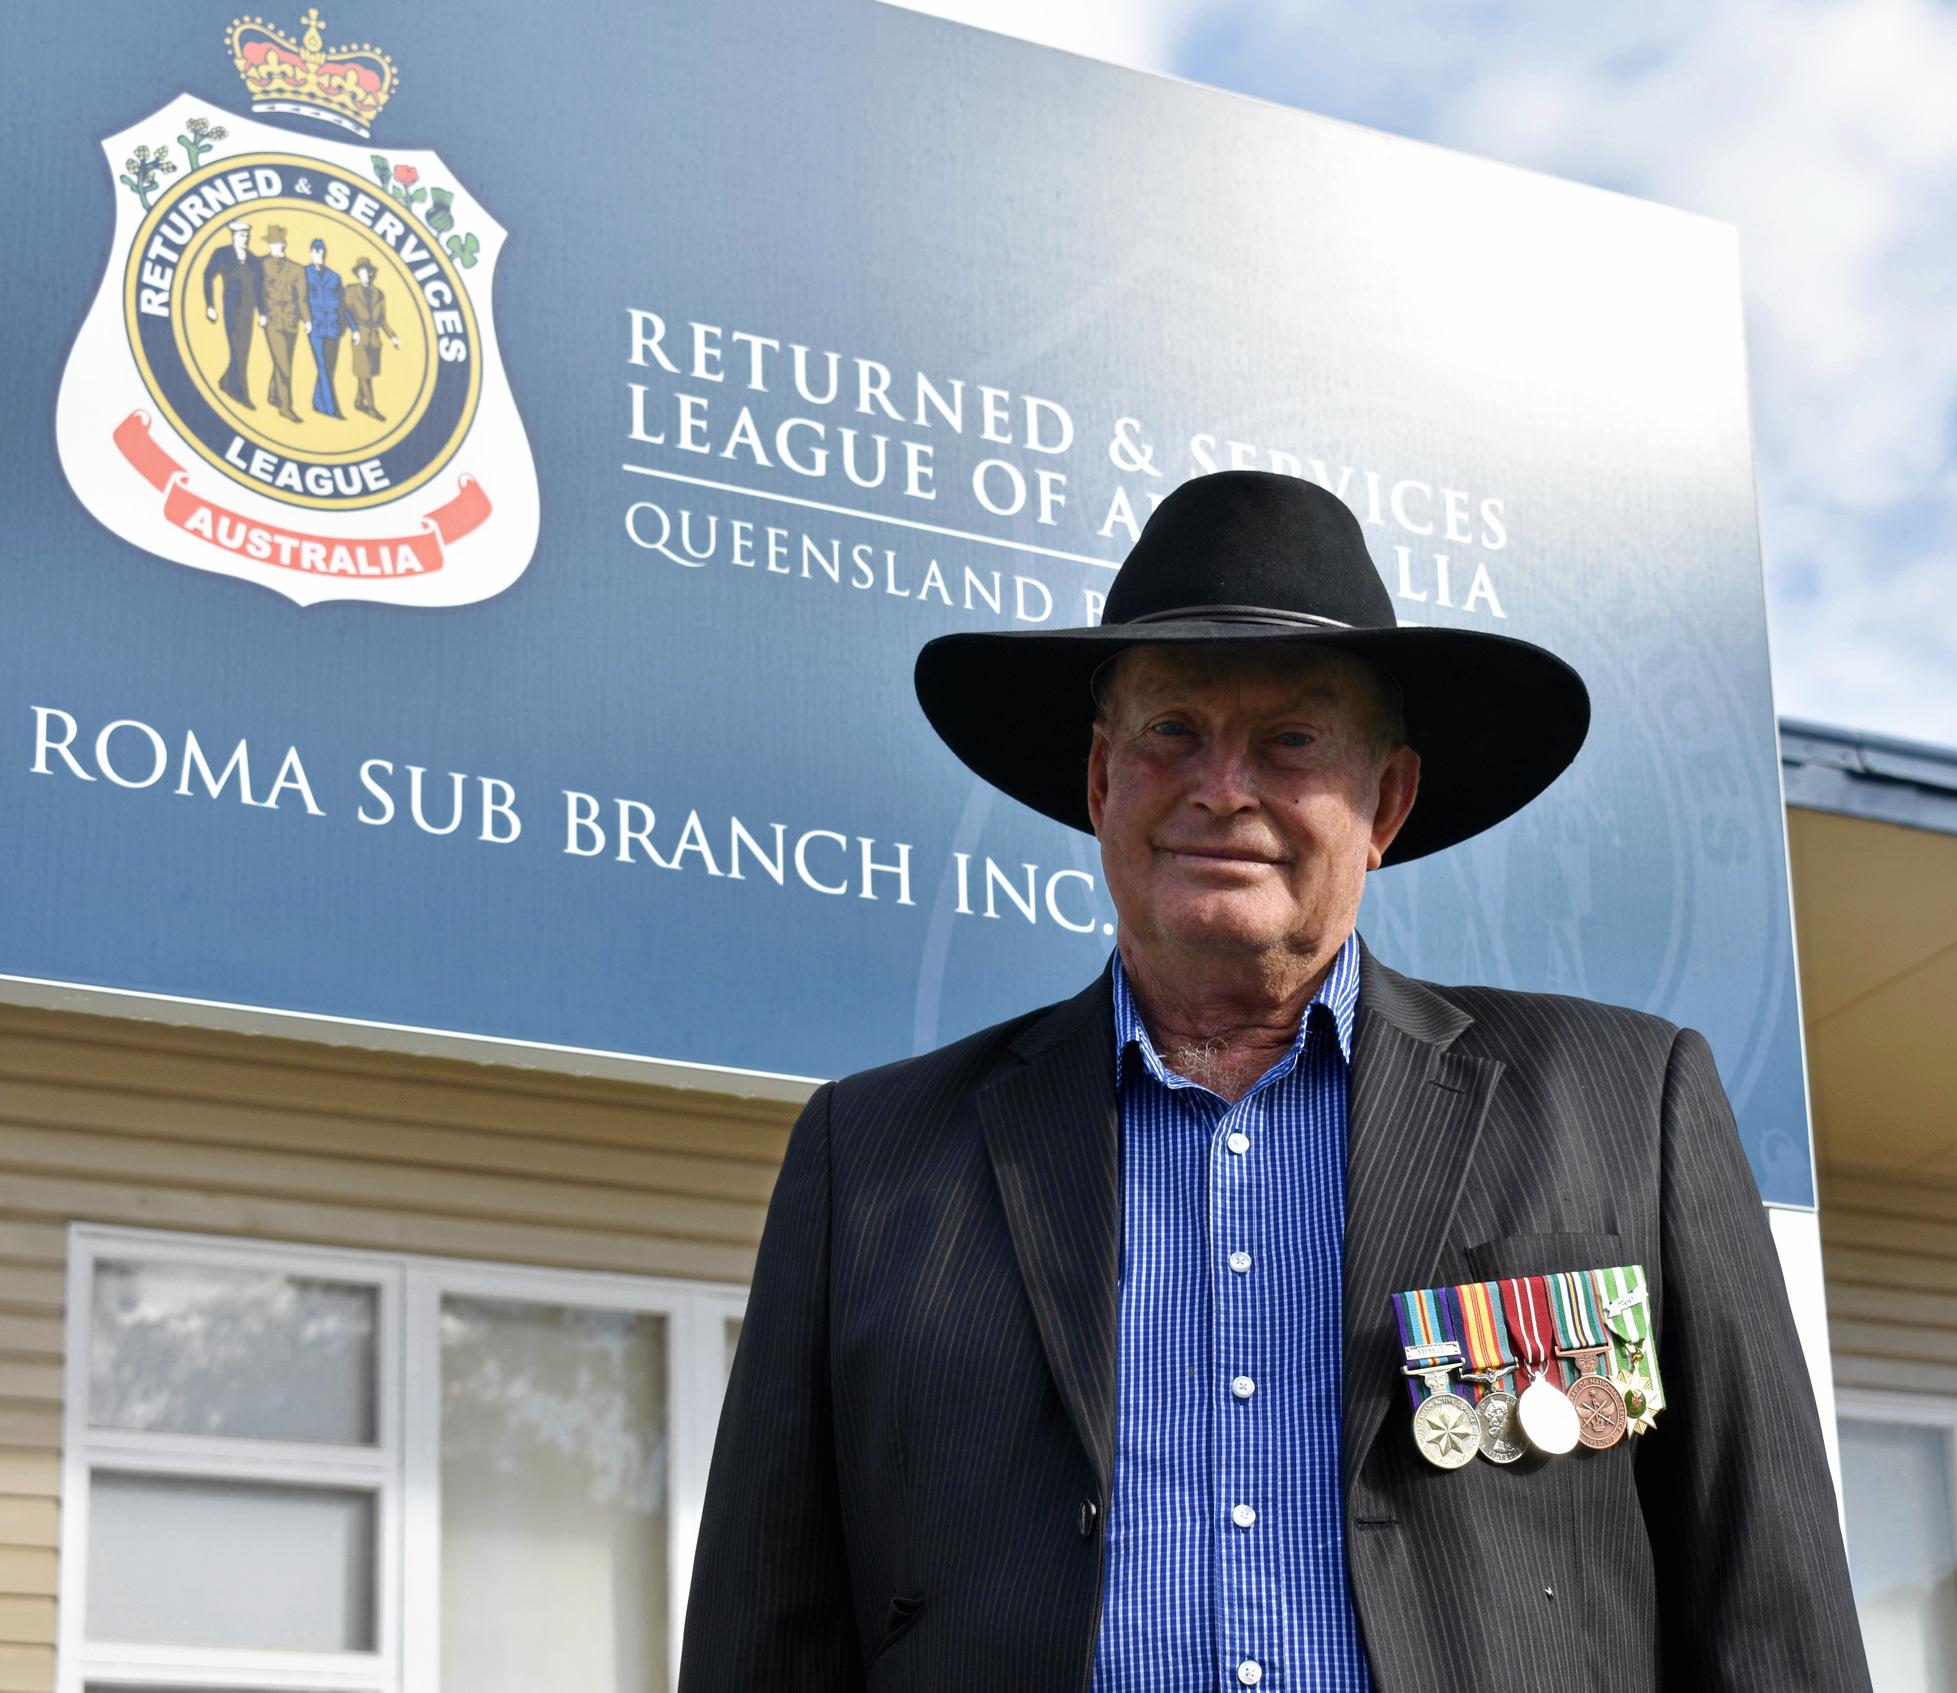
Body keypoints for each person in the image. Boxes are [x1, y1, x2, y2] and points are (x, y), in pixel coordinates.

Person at [679, 470, 1871, 1693]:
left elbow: (1775, 1619)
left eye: (1291, 739)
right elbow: (762, 1639)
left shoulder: (1627, 1103)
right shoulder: (868, 1156)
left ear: (1386, 801)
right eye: (1171, 731)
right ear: (1100, 782)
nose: (1223, 786)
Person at [251, 224, 306, 423]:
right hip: (272, 318)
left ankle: (273, 394)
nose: (279, 246)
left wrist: (306, 320)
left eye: (282, 243)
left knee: (284, 360)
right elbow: (256, 291)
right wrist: (261, 312)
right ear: (270, 245)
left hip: (291, 320)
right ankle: (285, 406)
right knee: (283, 363)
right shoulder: (260, 265)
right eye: (275, 243)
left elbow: (302, 298)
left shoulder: (297, 268)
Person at [200, 218, 257, 408]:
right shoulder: (222, 254)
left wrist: (263, 312)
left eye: (246, 235)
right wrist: (210, 305)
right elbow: (208, 276)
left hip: (249, 310)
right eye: (241, 235)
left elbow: (260, 287)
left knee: (244, 350)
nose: (245, 239)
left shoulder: (253, 259)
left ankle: (227, 382)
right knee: (236, 348)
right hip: (231, 307)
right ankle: (241, 392)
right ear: (234, 235)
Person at [341, 255, 398, 421]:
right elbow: (345, 312)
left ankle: (359, 401)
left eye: (368, 272)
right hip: (359, 336)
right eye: (362, 272)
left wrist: (392, 337)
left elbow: (382, 319)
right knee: (364, 373)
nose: (366, 275)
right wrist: (352, 330)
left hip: (374, 338)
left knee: (366, 373)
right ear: (358, 274)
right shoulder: (350, 291)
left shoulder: (379, 294)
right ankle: (371, 407)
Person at [303, 236, 345, 420]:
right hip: (316, 326)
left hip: (334, 328)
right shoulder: (303, 274)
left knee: (331, 367)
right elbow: (300, 300)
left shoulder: (334, 277)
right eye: (315, 251)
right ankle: (331, 409)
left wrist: (350, 327)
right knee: (322, 365)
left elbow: (343, 304)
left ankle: (318, 402)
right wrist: (304, 319)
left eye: (321, 252)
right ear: (311, 252)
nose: (318, 255)